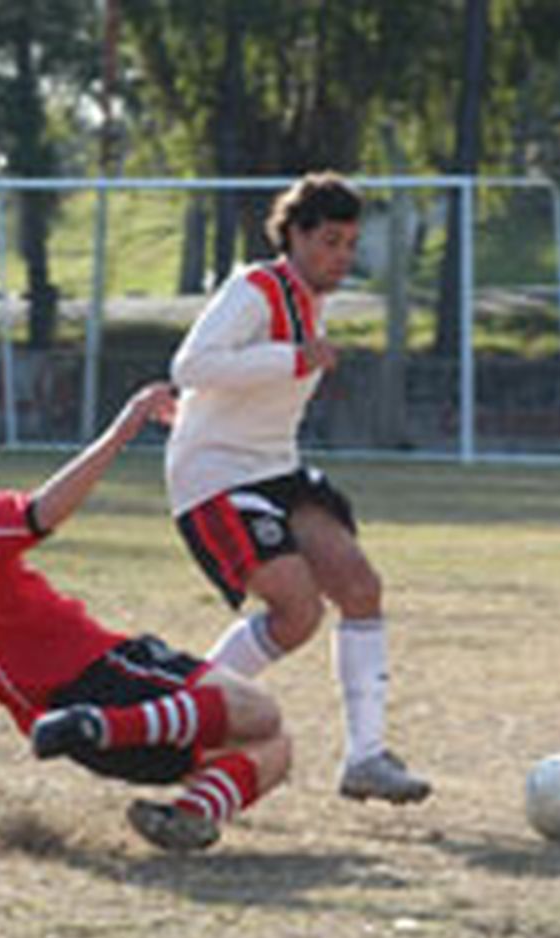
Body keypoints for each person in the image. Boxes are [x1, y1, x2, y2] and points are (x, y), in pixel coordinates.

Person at [0, 383, 290, 853]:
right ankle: (106, 723)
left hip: (87, 748)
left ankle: (190, 813)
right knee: (262, 712)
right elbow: (43, 511)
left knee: (274, 750)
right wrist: (123, 428)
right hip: (107, 679)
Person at [164, 172, 431, 805]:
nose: (342, 256)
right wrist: (290, 359)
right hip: (214, 477)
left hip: (274, 469)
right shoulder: (255, 288)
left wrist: (291, 360)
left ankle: (366, 759)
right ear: (296, 236)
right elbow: (190, 366)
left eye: (350, 244)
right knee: (298, 610)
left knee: (360, 586)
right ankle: (189, 719)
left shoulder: (312, 301)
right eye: (331, 241)